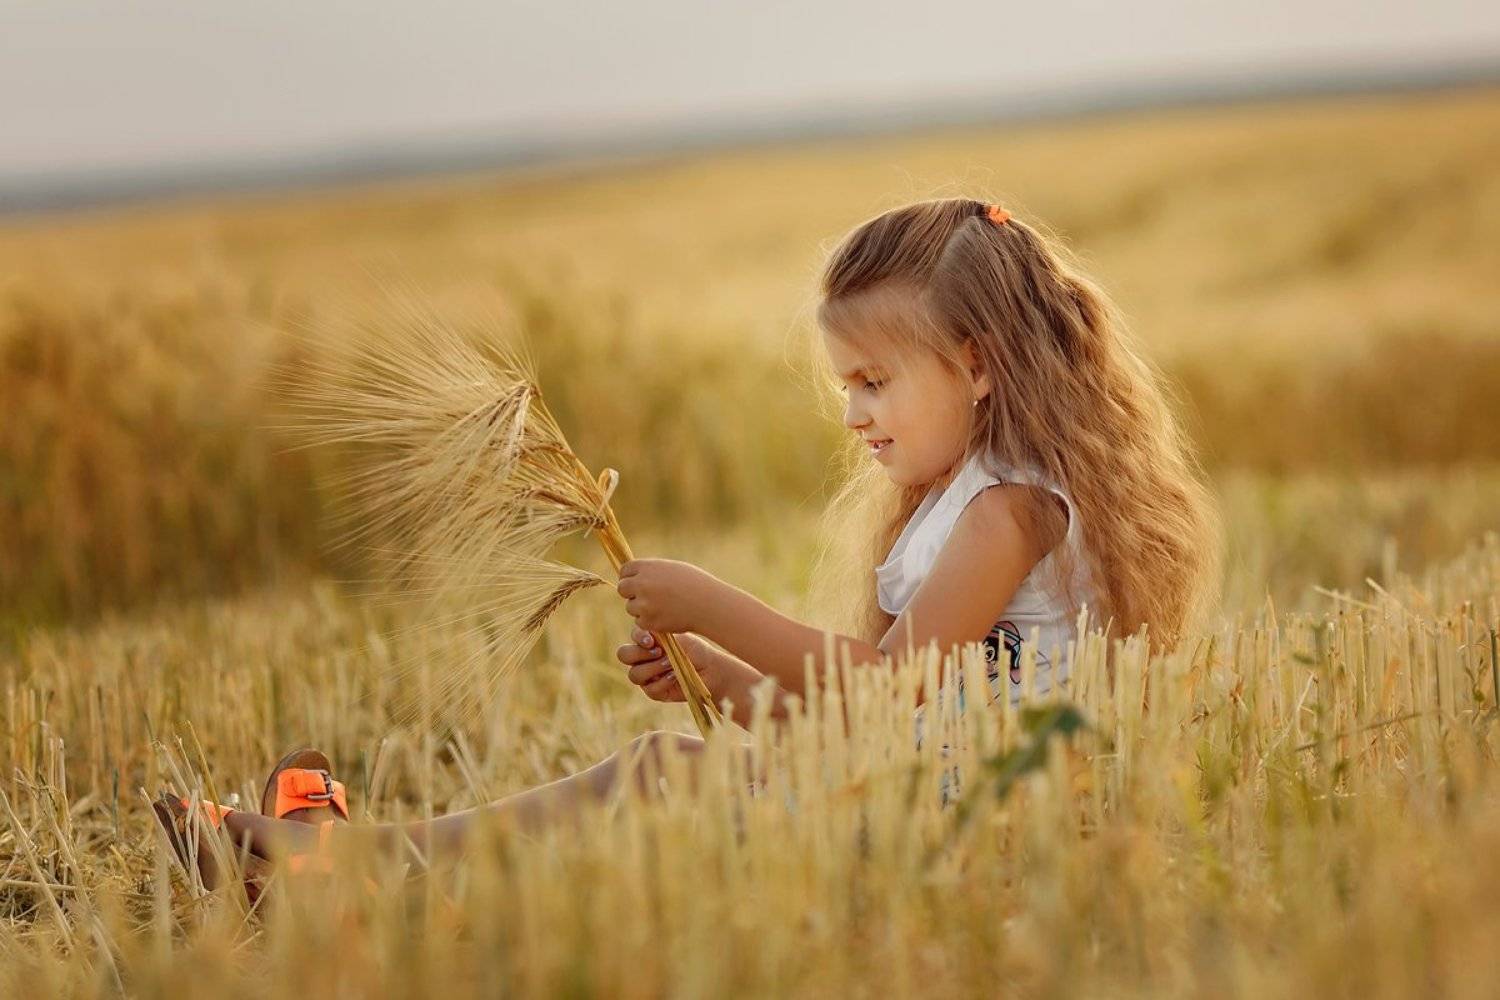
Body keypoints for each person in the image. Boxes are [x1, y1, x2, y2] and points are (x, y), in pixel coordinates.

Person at [153, 197, 1221, 882]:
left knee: (660, 778)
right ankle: (341, 869)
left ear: (978, 364)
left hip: (982, 830)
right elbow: (879, 721)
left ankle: (340, 871)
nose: (854, 414)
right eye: (845, 386)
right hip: (931, 793)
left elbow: (887, 696)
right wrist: (725, 679)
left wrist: (718, 607)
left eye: (875, 381)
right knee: (665, 772)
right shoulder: (962, 503)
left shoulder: (1008, 514)